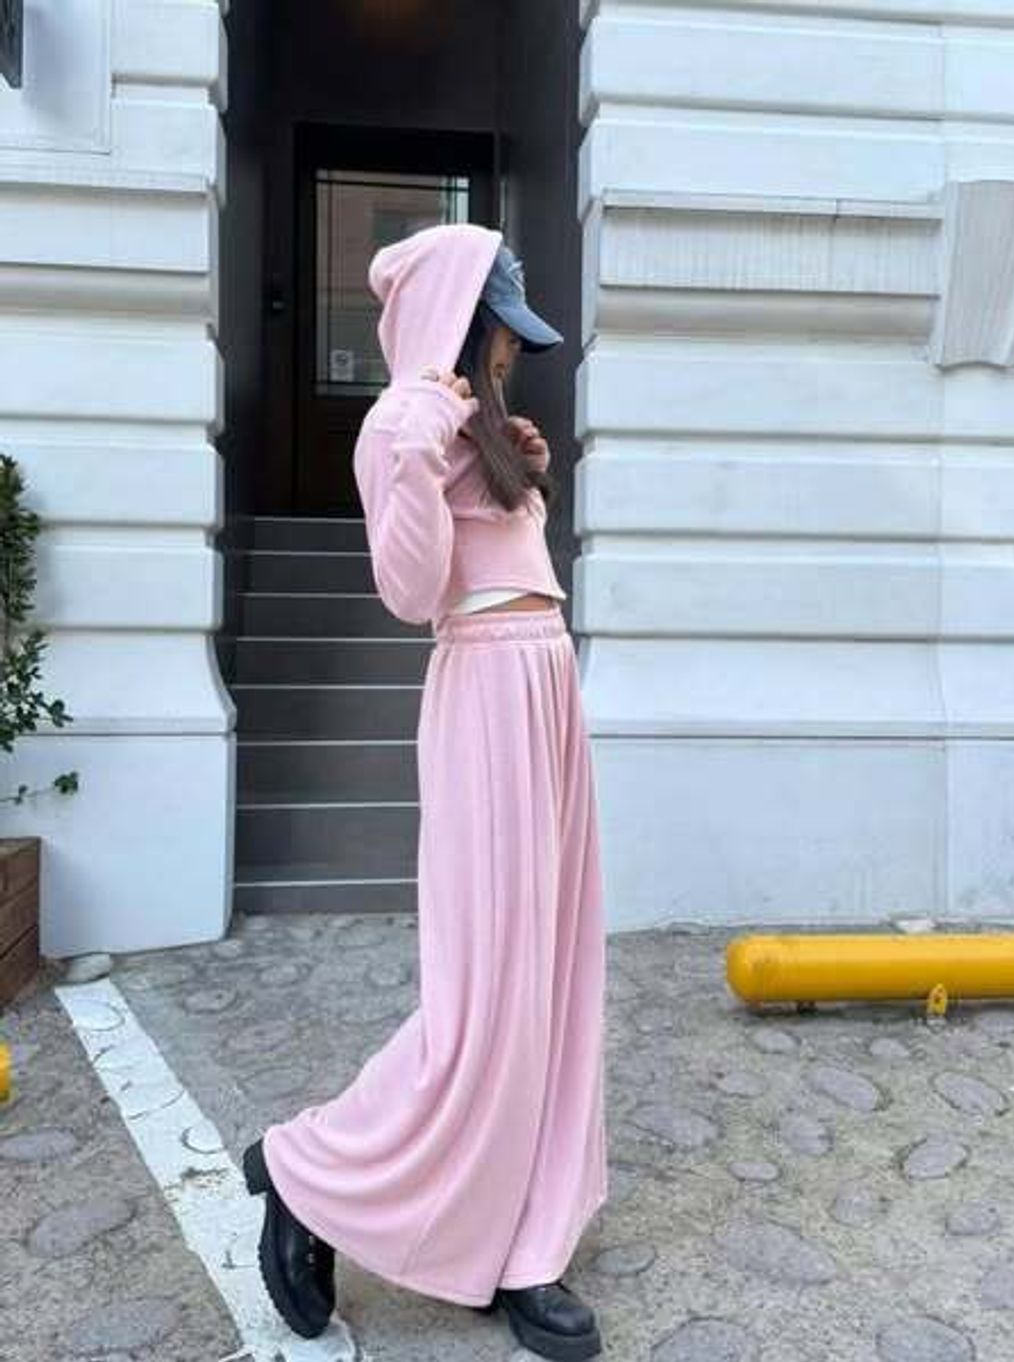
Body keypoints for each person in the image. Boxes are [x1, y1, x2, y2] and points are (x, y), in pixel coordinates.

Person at [242, 223, 608, 1361]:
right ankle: (310, 1172)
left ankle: (519, 1237)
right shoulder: (400, 422)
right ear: (461, 317)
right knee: (485, 995)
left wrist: (517, 476)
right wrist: (418, 442)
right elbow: (410, 591)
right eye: (501, 333)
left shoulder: (478, 424)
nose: (510, 355)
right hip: (485, 688)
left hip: (544, 683)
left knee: (551, 977)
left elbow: (512, 566)